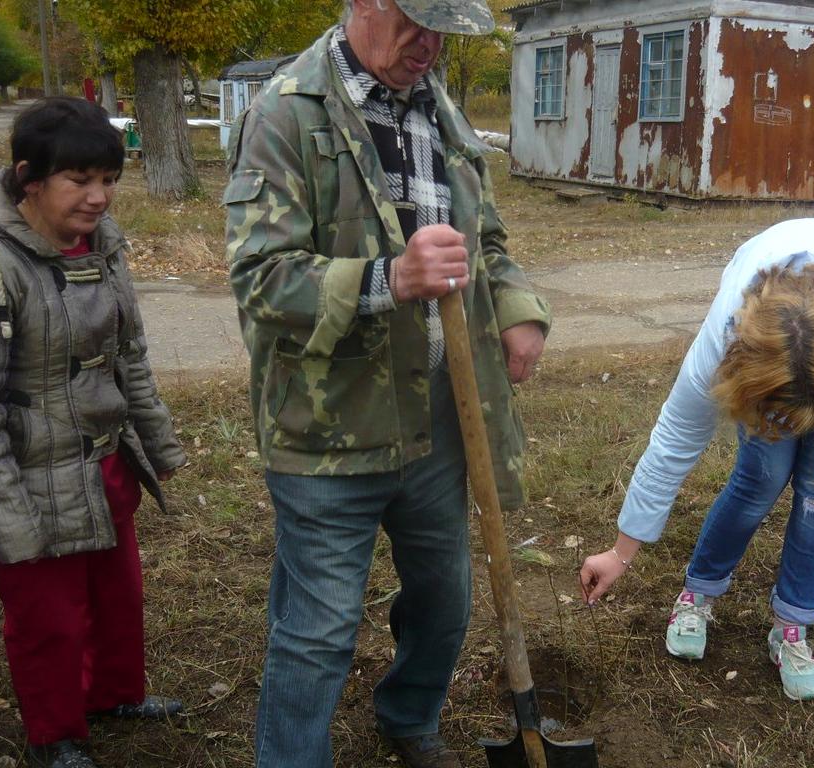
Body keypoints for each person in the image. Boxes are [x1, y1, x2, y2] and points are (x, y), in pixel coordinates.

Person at [223, 1, 550, 766]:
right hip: (326, 426)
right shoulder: (284, 116)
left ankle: (408, 716)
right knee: (318, 631)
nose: (429, 45)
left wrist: (516, 308)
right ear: (364, 4)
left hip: (438, 419)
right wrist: (389, 277)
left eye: (444, 30)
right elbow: (260, 281)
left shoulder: (439, 109)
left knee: (443, 605)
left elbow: (486, 240)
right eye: (415, 22)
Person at [579, 218, 814, 702]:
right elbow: (673, 441)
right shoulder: (726, 339)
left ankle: (792, 627)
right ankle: (699, 593)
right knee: (761, 477)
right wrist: (620, 552)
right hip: (772, 353)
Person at [0, 97, 186, 768]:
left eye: (108, 179)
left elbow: (129, 357)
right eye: (80, 180)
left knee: (116, 595)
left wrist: (158, 446)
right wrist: (6, 515)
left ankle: (114, 695)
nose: (99, 197)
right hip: (30, 474)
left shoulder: (103, 245)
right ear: (29, 179)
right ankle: (56, 737)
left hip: (105, 465)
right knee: (48, 620)